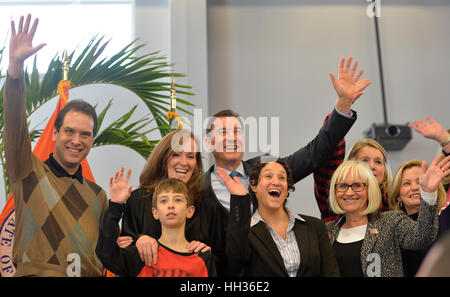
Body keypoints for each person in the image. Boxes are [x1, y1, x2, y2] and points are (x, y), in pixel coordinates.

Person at [199, 56, 370, 275]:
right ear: (208, 142)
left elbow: (315, 152)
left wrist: (343, 105)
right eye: (223, 132)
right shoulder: (197, 189)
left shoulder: (268, 169)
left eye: (237, 132)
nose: (232, 138)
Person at [3, 14, 107, 276]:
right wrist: (15, 71)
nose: (76, 140)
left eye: (85, 134)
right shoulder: (28, 173)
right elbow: (15, 126)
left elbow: (104, 257)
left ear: (92, 140)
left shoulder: (99, 196)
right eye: (69, 131)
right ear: (54, 134)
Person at [326, 157, 450, 277]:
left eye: (357, 185)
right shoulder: (326, 230)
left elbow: (422, 237)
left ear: (369, 190)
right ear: (334, 191)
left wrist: (428, 193)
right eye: (342, 186)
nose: (349, 192)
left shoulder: (391, 221)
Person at [219, 158, 339, 277]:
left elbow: (331, 273)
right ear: (254, 185)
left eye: (282, 178)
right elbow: (235, 262)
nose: (276, 182)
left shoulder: (315, 226)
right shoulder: (245, 232)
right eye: (268, 176)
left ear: (287, 189)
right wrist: (239, 200)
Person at [96, 172, 216, 277]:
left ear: (190, 211)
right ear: (155, 212)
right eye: (164, 200)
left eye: (178, 199)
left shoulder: (202, 258)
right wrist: (115, 206)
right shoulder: (142, 255)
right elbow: (105, 253)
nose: (170, 205)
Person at [119, 129, 209, 267]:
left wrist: (205, 251)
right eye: (176, 154)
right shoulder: (139, 199)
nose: (184, 162)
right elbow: (124, 250)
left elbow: (219, 256)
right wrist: (139, 239)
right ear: (163, 158)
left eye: (191, 156)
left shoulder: (204, 201)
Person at [387, 160, 447, 277]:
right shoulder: (391, 228)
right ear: (398, 195)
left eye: (420, 181)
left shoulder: (445, 221)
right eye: (406, 183)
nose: (414, 187)